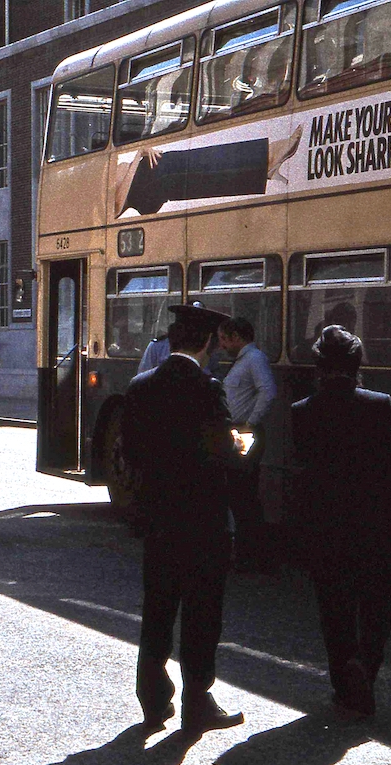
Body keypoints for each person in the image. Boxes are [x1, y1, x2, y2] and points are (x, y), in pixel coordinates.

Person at [121, 302, 244, 734]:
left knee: (157, 608)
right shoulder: (208, 389)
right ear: (208, 342)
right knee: (201, 612)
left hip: (158, 517)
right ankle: (197, 700)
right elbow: (225, 454)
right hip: (203, 520)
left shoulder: (140, 387)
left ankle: (153, 700)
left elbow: (130, 454)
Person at [290, 325, 391, 720]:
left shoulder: (303, 411)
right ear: (358, 365)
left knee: (334, 606)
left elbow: (302, 463)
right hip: (377, 520)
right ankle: (366, 663)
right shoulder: (380, 404)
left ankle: (344, 686)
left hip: (327, 524)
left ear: (319, 368)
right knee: (379, 602)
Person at [218, 317, 278, 573]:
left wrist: (250, 424)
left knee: (243, 496)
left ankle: (251, 556)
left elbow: (268, 391)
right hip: (240, 431)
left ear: (236, 337)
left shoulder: (254, 359)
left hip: (246, 433)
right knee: (238, 494)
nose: (222, 345)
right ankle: (247, 553)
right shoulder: (243, 361)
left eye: (224, 339)